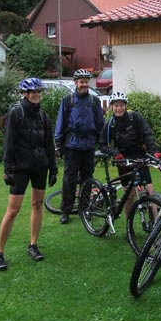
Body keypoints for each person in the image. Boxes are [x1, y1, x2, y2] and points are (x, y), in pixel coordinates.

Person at [0, 78, 58, 271]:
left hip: (40, 166)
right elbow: (8, 142)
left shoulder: (43, 116)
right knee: (12, 210)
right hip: (20, 167)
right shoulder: (16, 113)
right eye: (33, 92)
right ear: (24, 94)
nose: (36, 95)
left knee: (38, 204)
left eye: (39, 92)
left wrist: (53, 169)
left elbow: (49, 144)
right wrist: (7, 169)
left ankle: (33, 245)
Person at [55, 69, 105, 224]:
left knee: (87, 179)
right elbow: (61, 122)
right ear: (76, 83)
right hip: (72, 145)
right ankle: (66, 210)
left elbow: (100, 123)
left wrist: (102, 142)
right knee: (69, 180)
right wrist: (58, 143)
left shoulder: (94, 101)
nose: (84, 84)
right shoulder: (68, 100)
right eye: (81, 81)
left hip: (89, 145)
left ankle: (85, 208)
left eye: (86, 81)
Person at [99, 92, 161, 215]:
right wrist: (114, 153)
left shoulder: (135, 117)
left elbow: (147, 134)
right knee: (128, 196)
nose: (119, 108)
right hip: (122, 160)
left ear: (125, 106)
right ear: (112, 107)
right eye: (116, 105)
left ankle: (155, 222)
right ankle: (129, 227)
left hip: (140, 157)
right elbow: (102, 145)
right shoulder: (110, 124)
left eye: (121, 105)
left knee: (149, 192)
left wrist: (154, 151)